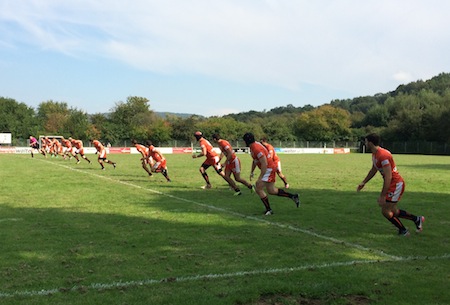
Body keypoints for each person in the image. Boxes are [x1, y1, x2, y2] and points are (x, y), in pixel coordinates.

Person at [357, 133, 425, 236]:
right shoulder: (375, 154)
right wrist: (364, 182)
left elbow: (388, 177)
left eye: (366, 141)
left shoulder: (383, 155)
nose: (365, 143)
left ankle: (403, 230)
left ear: (370, 143)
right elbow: (374, 170)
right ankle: (416, 219)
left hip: (396, 184)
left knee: (385, 210)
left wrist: (383, 195)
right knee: (393, 211)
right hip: (392, 184)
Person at [243, 132, 300, 215]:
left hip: (268, 169)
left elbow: (264, 163)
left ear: (246, 141)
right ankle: (293, 196)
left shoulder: (256, 148)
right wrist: (252, 171)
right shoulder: (253, 146)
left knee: (258, 188)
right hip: (270, 168)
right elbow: (255, 160)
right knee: (272, 190)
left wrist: (260, 177)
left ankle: (269, 210)